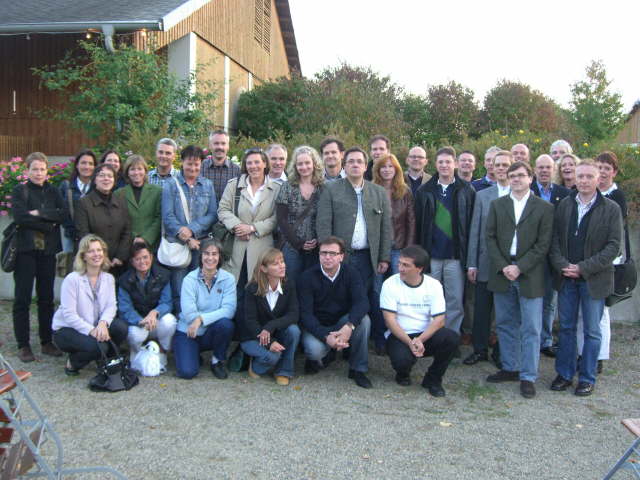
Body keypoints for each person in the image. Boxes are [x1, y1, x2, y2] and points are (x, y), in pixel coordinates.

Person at [549, 160, 622, 397]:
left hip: (594, 280)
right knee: (566, 329)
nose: (584, 181)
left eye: (589, 176)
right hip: (567, 279)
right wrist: (563, 265)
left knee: (592, 331)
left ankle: (587, 377)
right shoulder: (564, 205)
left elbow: (613, 247)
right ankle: (564, 374)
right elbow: (554, 241)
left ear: (598, 179)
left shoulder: (611, 209)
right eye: (580, 176)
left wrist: (583, 268)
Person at [485, 161, 554, 399]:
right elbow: (490, 238)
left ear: (530, 178)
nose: (515, 179)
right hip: (502, 271)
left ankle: (528, 376)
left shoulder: (544, 208)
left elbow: (543, 244)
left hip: (530, 273)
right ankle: (510, 367)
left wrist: (520, 267)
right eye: (512, 175)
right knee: (505, 323)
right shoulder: (497, 205)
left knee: (531, 327)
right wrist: (504, 266)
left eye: (521, 175)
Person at [317, 146, 392, 355]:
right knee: (340, 298)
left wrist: (384, 256)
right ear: (344, 164)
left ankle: (376, 339)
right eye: (351, 161)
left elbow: (386, 228)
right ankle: (337, 344)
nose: (355, 165)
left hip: (369, 257)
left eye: (359, 161)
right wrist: (329, 254)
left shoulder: (378, 192)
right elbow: (323, 224)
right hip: (341, 257)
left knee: (372, 297)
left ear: (366, 166)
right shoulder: (331, 189)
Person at [575, 151, 628, 373]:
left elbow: (613, 237)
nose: (603, 172)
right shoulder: (579, 197)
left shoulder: (615, 198)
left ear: (613, 172)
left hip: (605, 263)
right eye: (600, 167)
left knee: (600, 314)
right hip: (582, 262)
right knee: (582, 314)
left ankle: (598, 356)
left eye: (607, 168)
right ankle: (582, 353)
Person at [381, 245, 459, 397]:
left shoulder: (434, 285)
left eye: (406, 265)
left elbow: (439, 320)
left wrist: (420, 340)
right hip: (400, 335)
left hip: (425, 335)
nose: (400, 268)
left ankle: (433, 379)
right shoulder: (390, 284)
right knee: (401, 361)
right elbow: (389, 320)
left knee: (452, 338)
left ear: (419, 268)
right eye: (399, 263)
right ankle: (403, 373)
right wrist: (410, 342)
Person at [414, 146, 475, 336]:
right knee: (429, 299)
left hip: (455, 255)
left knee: (454, 300)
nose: (444, 165)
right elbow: (418, 224)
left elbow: (471, 224)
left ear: (455, 164)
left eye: (448, 162)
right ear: (435, 164)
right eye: (440, 162)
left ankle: (451, 337)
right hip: (431, 255)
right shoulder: (424, 191)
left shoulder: (466, 190)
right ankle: (429, 337)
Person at [298, 236, 373, 388]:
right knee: (314, 351)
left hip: (342, 323)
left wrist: (349, 326)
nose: (327, 257)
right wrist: (326, 336)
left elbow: (362, 303)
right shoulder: (307, 277)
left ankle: (358, 369)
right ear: (319, 255)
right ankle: (323, 355)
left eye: (332, 253)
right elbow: (305, 315)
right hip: (317, 326)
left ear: (341, 256)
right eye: (323, 253)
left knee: (364, 320)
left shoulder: (351, 273)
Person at [11, 152, 65, 362]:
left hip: (47, 252)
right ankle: (23, 345)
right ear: (27, 170)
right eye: (34, 169)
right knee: (22, 299)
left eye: (42, 169)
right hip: (25, 252)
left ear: (47, 171)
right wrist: (48, 223)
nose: (39, 173)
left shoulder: (53, 191)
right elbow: (20, 217)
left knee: (46, 298)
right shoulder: (20, 191)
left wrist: (39, 213)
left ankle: (46, 341)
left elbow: (62, 214)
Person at [217, 148, 280, 320]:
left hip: (262, 249)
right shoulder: (234, 185)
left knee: (258, 292)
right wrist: (238, 226)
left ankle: (256, 330)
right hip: (236, 247)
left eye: (257, 162)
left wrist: (252, 228)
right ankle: (234, 330)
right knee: (235, 292)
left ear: (265, 164)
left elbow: (277, 218)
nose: (253, 166)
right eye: (249, 163)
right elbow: (223, 209)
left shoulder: (276, 188)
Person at [52, 235, 128, 375]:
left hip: (95, 325)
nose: (96, 254)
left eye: (99, 250)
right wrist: (92, 330)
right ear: (83, 256)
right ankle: (73, 363)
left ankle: (104, 360)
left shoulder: (109, 278)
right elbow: (69, 315)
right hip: (68, 329)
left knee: (120, 328)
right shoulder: (72, 279)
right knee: (98, 347)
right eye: (91, 251)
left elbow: (111, 306)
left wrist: (103, 323)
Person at [464, 150, 513, 367]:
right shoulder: (483, 195)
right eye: (497, 164)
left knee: (505, 311)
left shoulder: (521, 193)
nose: (500, 168)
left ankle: (501, 351)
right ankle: (479, 349)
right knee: (482, 309)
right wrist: (472, 263)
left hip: (510, 264)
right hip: (485, 261)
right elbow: (475, 230)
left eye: (505, 165)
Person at [161, 145, 218, 312]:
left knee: (199, 287)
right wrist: (185, 236)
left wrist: (192, 229)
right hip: (178, 244)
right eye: (189, 163)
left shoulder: (207, 185)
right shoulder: (170, 184)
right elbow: (167, 216)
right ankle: (182, 320)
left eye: (196, 164)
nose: (193, 168)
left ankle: (198, 320)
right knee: (179, 288)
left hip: (201, 245)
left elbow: (212, 214)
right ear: (182, 162)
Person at [173, 238, 236, 379]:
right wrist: (197, 320)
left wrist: (201, 319)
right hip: (189, 331)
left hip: (211, 331)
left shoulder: (228, 279)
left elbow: (229, 310)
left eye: (214, 254)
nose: (210, 258)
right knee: (187, 372)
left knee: (226, 325)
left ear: (220, 257)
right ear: (201, 256)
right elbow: (190, 315)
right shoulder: (189, 279)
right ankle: (193, 354)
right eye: (206, 253)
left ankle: (217, 361)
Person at [530, 155, 571, 358]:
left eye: (548, 167)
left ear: (554, 169)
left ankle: (545, 341)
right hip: (529, 255)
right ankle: (529, 339)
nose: (544, 170)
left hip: (552, 257)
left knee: (549, 301)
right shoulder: (527, 190)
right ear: (534, 170)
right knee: (529, 300)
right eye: (541, 167)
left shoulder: (564, 194)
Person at [240, 248, 300, 386]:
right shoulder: (252, 288)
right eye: (275, 264)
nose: (282, 266)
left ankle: (283, 371)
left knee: (294, 330)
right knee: (273, 357)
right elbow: (250, 321)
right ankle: (255, 365)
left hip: (275, 332)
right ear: (264, 268)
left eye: (282, 261)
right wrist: (270, 342)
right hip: (252, 336)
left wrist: (270, 326)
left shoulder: (288, 285)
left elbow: (294, 314)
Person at [118, 242, 176, 358]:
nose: (142, 262)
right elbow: (125, 309)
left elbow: (167, 302)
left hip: (156, 320)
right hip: (138, 322)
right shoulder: (124, 280)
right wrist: (140, 320)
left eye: (145, 257)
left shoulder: (163, 275)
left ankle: (163, 350)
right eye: (137, 259)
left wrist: (154, 313)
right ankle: (138, 354)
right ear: (132, 262)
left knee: (169, 321)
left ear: (151, 257)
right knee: (135, 335)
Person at [276, 145, 324, 284]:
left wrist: (319, 240)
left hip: (316, 248)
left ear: (314, 164)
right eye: (300, 164)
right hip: (291, 247)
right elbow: (281, 219)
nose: (304, 167)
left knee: (313, 284)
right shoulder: (287, 186)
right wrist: (298, 243)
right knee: (291, 284)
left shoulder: (323, 187)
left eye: (307, 163)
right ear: (295, 166)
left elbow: (326, 217)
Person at [75, 163, 131, 276]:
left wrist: (120, 256)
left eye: (110, 176)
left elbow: (127, 231)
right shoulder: (84, 203)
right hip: (94, 262)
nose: (106, 179)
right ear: (94, 179)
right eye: (101, 175)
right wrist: (102, 257)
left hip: (118, 263)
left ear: (114, 181)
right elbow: (83, 233)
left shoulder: (121, 201)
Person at [372, 153, 415, 274]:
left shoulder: (405, 191)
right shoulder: (370, 190)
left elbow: (411, 222)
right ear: (378, 169)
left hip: (399, 247)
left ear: (396, 169)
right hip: (377, 248)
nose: (387, 170)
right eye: (383, 166)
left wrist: (408, 250)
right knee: (377, 284)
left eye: (390, 166)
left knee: (399, 281)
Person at [115, 155, 162, 250]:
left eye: (140, 169)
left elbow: (159, 218)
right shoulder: (119, 194)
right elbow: (118, 219)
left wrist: (146, 238)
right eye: (132, 169)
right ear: (127, 172)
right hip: (128, 245)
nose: (136, 172)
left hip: (152, 245)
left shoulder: (157, 191)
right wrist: (133, 238)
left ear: (145, 171)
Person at [59, 149, 96, 253]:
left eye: (90, 164)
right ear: (77, 165)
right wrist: (71, 229)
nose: (87, 167)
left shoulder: (97, 187)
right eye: (83, 163)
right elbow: (61, 211)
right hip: (71, 238)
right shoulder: (66, 186)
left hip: (93, 238)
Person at [200, 130, 241, 203]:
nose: (220, 147)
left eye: (223, 143)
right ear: (210, 146)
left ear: (228, 146)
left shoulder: (237, 171)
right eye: (216, 143)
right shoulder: (200, 168)